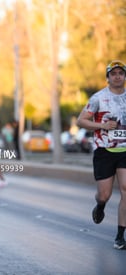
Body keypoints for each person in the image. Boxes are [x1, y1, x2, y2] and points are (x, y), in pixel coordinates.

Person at [77, 60, 126, 250]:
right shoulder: (98, 98)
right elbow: (81, 121)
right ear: (108, 77)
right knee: (104, 195)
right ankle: (100, 206)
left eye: (120, 73)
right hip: (104, 150)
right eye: (113, 74)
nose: (117, 76)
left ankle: (120, 236)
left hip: (125, 151)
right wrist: (103, 126)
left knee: (125, 189)